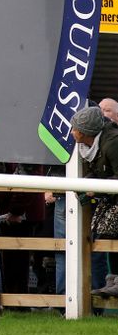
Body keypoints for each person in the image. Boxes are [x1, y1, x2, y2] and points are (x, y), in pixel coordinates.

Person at [71, 107, 118, 296]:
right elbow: (98, 170)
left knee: (110, 230)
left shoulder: (113, 143)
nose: (71, 132)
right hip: (110, 195)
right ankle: (113, 280)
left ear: (84, 132)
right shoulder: (90, 146)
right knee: (104, 234)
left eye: (74, 129)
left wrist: (95, 188)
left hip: (113, 194)